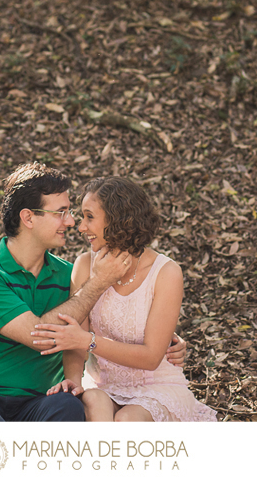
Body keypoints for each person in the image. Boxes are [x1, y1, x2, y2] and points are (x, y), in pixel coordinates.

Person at [0, 163, 186, 422]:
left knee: (69, 409)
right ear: (28, 218)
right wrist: (98, 282)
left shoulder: (70, 276)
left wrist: (167, 338)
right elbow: (39, 337)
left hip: (39, 400)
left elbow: (112, 313)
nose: (71, 222)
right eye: (61, 213)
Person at [33, 176, 217, 422]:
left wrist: (88, 341)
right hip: (103, 386)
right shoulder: (84, 265)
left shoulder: (166, 273)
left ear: (117, 219)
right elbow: (75, 342)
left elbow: (151, 357)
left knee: (127, 420)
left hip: (157, 387)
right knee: (94, 401)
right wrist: (73, 382)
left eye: (89, 217)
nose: (80, 227)